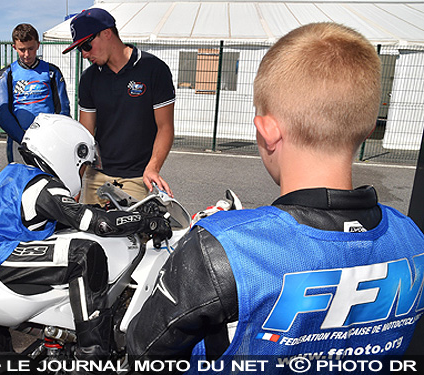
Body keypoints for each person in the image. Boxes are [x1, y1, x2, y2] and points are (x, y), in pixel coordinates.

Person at [126, 22, 424, 372]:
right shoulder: (411, 236)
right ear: (368, 125)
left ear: (266, 131)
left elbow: (144, 353)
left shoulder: (224, 247)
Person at [0, 113, 171, 367]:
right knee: (83, 254)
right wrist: (145, 221)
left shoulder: (18, 174)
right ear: (66, 152)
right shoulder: (44, 185)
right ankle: (93, 354)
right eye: (83, 165)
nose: (83, 173)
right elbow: (100, 224)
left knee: (61, 246)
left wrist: (105, 210)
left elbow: (71, 217)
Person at [62, 8, 175, 205]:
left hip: (137, 178)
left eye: (86, 45)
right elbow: (85, 135)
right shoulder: (89, 79)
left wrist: (153, 168)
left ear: (107, 33)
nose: (84, 55)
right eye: (80, 49)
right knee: (89, 234)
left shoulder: (154, 70)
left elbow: (165, 128)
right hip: (95, 178)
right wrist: (78, 180)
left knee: (132, 235)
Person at [0, 23, 71, 163]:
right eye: (22, 50)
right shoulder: (7, 74)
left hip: (49, 140)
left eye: (31, 49)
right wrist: (25, 140)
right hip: (19, 141)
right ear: (14, 47)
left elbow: (63, 109)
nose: (27, 54)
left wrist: (56, 136)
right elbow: (3, 114)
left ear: (38, 45)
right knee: (21, 182)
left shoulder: (52, 72)